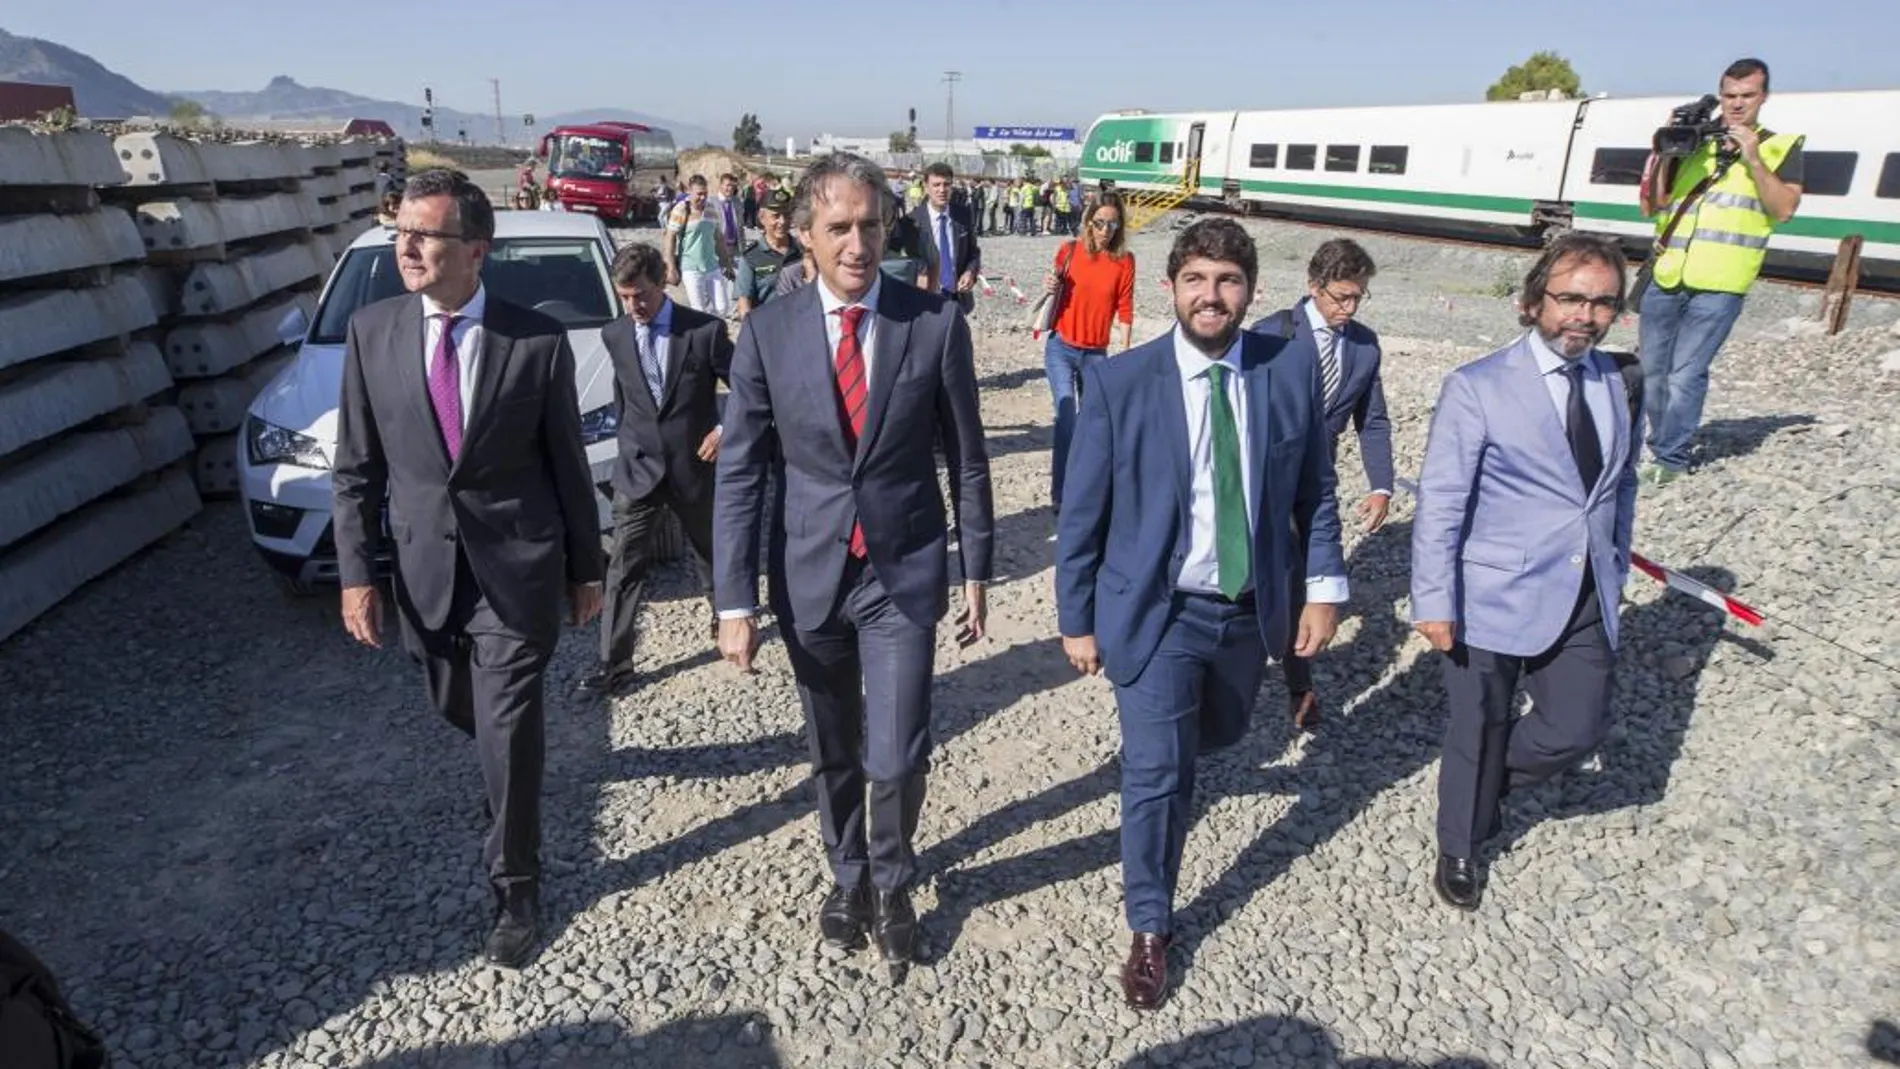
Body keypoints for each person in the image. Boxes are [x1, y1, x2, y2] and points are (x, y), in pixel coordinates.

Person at [713, 151, 994, 977]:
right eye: (838, 227)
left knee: (899, 750)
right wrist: (734, 598)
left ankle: (894, 878)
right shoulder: (768, 330)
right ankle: (848, 874)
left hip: (901, 570)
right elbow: (741, 470)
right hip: (809, 573)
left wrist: (975, 565)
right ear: (805, 234)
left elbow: (967, 459)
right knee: (833, 741)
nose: (857, 243)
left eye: (870, 225)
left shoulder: (933, 322)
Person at [1055, 217, 1347, 1010]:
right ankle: (1151, 923)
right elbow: (1082, 512)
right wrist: (1075, 617)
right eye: (1196, 280)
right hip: (1159, 611)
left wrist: (1324, 586)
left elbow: (1314, 491)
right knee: (1160, 770)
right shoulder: (1121, 384)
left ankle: (1170, 756)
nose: (1211, 296)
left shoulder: (1287, 372)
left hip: (1249, 612)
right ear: (1171, 287)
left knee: (1217, 736)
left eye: (1227, 281)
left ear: (1250, 291)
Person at [331, 169, 604, 968]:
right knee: (468, 712)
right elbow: (356, 469)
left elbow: (567, 465)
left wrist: (587, 567)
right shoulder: (372, 331)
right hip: (424, 576)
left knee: (511, 727)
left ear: (475, 250)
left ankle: (515, 885)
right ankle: (502, 788)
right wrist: (357, 573)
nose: (408, 249)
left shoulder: (534, 339)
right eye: (401, 235)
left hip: (516, 572)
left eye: (427, 236)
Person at [1411, 232, 1640, 912]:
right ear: (1535, 300)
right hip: (1491, 593)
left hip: (1584, 588)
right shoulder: (1478, 387)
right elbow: (1442, 500)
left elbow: (1620, 485)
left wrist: (1617, 561)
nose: (1584, 315)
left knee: (1577, 727)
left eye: (1601, 303)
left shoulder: (1619, 381)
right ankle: (1462, 840)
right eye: (1571, 297)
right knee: (1476, 721)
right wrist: (1433, 596)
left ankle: (1482, 778)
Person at [1635, 57, 1803, 487]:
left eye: (1747, 96)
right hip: (1668, 274)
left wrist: (1752, 159)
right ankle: (1660, 440)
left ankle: (1670, 458)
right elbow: (1654, 203)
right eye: (1730, 96)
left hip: (1721, 285)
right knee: (1653, 369)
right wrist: (1665, 153)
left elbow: (1783, 209)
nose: (1737, 104)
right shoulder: (1696, 142)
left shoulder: (1780, 146)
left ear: (1764, 97)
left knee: (1686, 373)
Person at [574, 243, 734, 697]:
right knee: (624, 568)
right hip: (638, 472)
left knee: (711, 554)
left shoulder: (703, 332)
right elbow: (626, 399)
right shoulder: (615, 335)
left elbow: (745, 385)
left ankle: (727, 622)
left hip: (694, 468)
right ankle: (614, 664)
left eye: (640, 295)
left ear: (661, 282)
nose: (633, 307)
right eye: (624, 298)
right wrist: (627, 451)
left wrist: (723, 430)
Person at [1247, 238, 1393, 731]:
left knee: (1300, 580)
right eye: (1340, 297)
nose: (1348, 309)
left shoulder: (1365, 346)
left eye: (1358, 297)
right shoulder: (1271, 334)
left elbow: (1371, 422)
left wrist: (1382, 486)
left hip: (1315, 486)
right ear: (1313, 287)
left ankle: (1298, 684)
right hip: (1260, 478)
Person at [1042, 192, 1135, 511]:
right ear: (1088, 221)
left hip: (1096, 355)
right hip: (1061, 348)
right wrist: (1049, 283)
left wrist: (1124, 352)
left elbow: (1125, 308)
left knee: (1094, 423)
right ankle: (1062, 494)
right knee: (1067, 417)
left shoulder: (1125, 261)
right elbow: (1053, 283)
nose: (1106, 230)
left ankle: (1090, 487)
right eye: (1099, 222)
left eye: (1113, 223)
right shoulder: (1069, 250)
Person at [912, 162, 981, 313]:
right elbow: (903, 263)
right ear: (926, 186)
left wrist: (970, 272)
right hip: (925, 299)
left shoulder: (963, 215)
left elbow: (973, 253)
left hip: (957, 297)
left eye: (946, 184)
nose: (942, 190)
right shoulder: (912, 221)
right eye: (936, 185)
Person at [665, 176, 737, 316]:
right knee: (699, 310)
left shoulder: (710, 209)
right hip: (691, 267)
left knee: (722, 308)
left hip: (712, 265)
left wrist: (726, 264)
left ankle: (716, 333)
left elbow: (718, 238)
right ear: (689, 192)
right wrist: (671, 267)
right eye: (699, 194)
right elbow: (670, 237)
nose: (703, 197)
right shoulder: (681, 210)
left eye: (705, 193)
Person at [734, 187, 802, 321]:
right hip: (768, 329)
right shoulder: (751, 257)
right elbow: (744, 303)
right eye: (775, 216)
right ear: (762, 218)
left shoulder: (803, 251)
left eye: (786, 215)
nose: (782, 221)